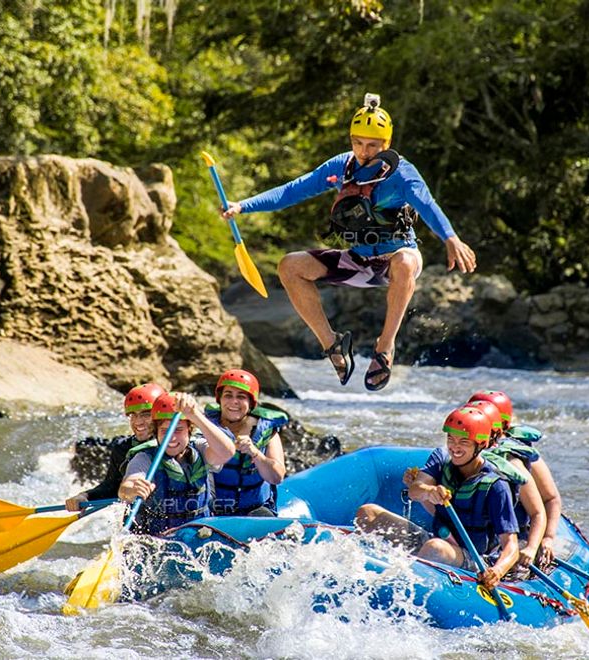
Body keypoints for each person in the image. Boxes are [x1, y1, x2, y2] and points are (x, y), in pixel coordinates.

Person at [221, 93, 477, 391]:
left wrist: (450, 237)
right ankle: (333, 345)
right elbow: (292, 191)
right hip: (357, 261)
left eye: (372, 145)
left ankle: (384, 347)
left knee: (405, 262)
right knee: (290, 265)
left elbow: (428, 205)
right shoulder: (341, 167)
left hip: (397, 259)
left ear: (387, 144)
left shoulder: (403, 174)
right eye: (358, 143)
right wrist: (242, 206)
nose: (364, 151)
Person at [356, 407, 519, 591]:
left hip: (473, 557)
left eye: (463, 441)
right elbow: (415, 491)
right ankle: (367, 572)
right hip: (437, 539)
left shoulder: (497, 486)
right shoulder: (441, 459)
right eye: (451, 439)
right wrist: (429, 492)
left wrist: (497, 571)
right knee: (367, 513)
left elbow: (511, 546)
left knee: (435, 548)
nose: (455, 447)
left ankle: (400, 587)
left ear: (480, 445)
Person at [116, 392, 237, 535]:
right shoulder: (144, 458)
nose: (171, 438)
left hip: (200, 534)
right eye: (164, 431)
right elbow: (126, 487)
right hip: (159, 539)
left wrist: (195, 415)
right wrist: (132, 490)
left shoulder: (200, 449)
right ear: (156, 433)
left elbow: (226, 452)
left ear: (189, 431)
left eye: (178, 430)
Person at [469, 390, 563, 566]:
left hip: (514, 533)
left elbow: (551, 499)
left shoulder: (515, 458)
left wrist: (546, 539)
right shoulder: (463, 455)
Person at [66, 382, 165, 510]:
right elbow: (111, 487)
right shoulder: (123, 448)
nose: (137, 422)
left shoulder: (177, 445)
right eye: (133, 415)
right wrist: (85, 496)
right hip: (142, 520)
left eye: (146, 414)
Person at [203, 369, 288, 516]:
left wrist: (255, 453)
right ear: (220, 399)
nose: (234, 402)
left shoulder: (268, 433)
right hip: (213, 511)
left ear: (250, 403)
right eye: (228, 395)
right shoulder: (205, 428)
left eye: (241, 397)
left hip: (255, 511)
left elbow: (277, 477)